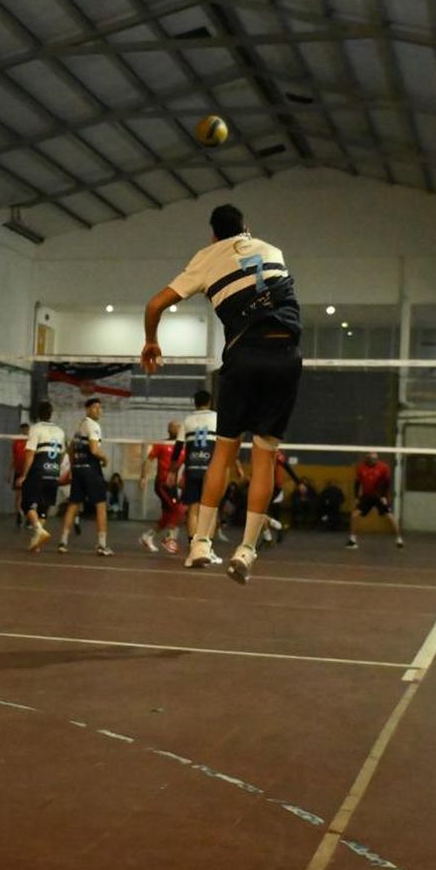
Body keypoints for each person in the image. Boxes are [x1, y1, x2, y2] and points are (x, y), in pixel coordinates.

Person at [140, 204, 302, 585]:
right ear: (247, 228)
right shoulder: (272, 250)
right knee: (265, 458)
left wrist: (151, 341)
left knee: (224, 453)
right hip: (285, 355)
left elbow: (153, 305)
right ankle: (246, 550)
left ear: (213, 235)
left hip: (243, 357)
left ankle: (199, 543)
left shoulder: (205, 258)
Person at [57, 397, 113, 556]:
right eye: (95, 407)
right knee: (101, 507)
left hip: (79, 470)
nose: (98, 410)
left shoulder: (79, 426)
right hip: (91, 469)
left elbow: (70, 450)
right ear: (87, 409)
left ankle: (63, 542)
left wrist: (73, 466)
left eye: (100, 408)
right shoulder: (93, 425)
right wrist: (105, 458)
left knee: (73, 505)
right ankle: (102, 545)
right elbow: (94, 450)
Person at [180, 390, 223, 564]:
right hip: (210, 470)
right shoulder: (216, 418)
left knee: (193, 509)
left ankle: (193, 549)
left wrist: (173, 470)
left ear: (194, 403)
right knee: (211, 510)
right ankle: (207, 549)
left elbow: (178, 447)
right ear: (210, 402)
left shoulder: (188, 420)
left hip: (192, 468)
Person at [15, 400, 65, 552]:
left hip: (39, 470)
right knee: (44, 506)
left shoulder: (35, 429)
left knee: (26, 503)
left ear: (37, 414)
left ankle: (38, 530)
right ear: (51, 414)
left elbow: (29, 453)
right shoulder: (60, 431)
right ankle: (36, 540)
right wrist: (57, 469)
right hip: (54, 471)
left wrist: (24, 475)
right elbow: (62, 455)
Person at [139, 420, 186, 553]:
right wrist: (143, 477)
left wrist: (183, 478)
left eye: (178, 426)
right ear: (169, 429)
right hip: (162, 484)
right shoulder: (161, 444)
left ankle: (147, 536)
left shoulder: (183, 448)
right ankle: (170, 539)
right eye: (173, 426)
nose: (176, 428)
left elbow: (187, 464)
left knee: (167, 515)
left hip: (173, 486)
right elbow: (148, 460)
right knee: (178, 510)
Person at [346, 451, 402, 550]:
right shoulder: (361, 468)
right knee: (354, 515)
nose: (374, 461)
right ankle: (352, 539)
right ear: (367, 459)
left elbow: (387, 482)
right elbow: (357, 483)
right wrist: (356, 498)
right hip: (366, 496)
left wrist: (384, 496)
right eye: (372, 459)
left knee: (390, 515)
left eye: (375, 459)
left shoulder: (383, 467)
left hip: (379, 496)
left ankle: (399, 538)